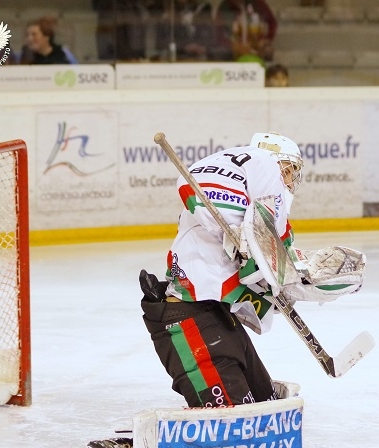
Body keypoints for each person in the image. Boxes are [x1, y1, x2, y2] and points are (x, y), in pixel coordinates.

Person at [138, 132, 364, 409]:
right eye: (289, 170)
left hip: (220, 318)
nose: (290, 180)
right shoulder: (261, 169)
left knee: (265, 407)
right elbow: (194, 185)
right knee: (233, 426)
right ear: (277, 163)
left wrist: (298, 281)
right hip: (188, 322)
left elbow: (266, 278)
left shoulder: (255, 213)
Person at [213, 0, 278, 62]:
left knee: (268, 52)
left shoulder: (257, 3)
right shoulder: (224, 7)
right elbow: (219, 33)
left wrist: (266, 40)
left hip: (256, 50)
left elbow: (272, 22)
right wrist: (233, 46)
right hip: (234, 52)